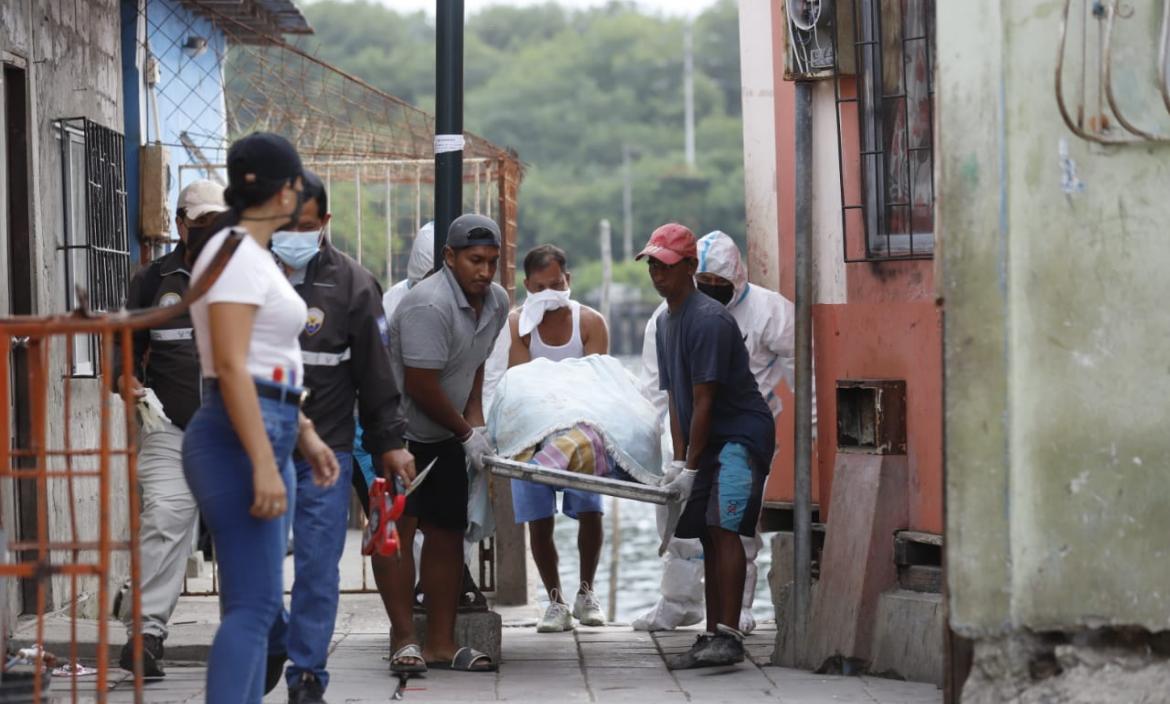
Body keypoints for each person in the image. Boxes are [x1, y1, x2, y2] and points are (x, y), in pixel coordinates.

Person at [181, 132, 339, 704]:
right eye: (297, 183)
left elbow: (268, 358)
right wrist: (263, 464)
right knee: (252, 610)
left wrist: (303, 432)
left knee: (260, 605)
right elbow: (229, 365)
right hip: (238, 433)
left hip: (269, 424)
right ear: (286, 190)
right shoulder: (237, 255)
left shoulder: (249, 254)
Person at [267, 171, 416, 703]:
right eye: (284, 226)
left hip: (323, 455)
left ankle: (307, 674)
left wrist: (390, 443)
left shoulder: (353, 285)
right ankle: (274, 637)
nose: (294, 236)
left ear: (325, 223)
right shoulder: (250, 277)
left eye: (305, 226)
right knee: (257, 571)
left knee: (317, 565)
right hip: (258, 451)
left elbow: (377, 375)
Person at [634, 230, 808, 634]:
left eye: (668, 268)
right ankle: (700, 618)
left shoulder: (720, 319)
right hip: (699, 434)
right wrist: (677, 460)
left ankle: (731, 624)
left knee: (730, 527)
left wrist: (692, 466)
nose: (658, 277)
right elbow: (671, 394)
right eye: (653, 267)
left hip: (738, 435)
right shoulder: (664, 321)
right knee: (699, 528)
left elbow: (706, 398)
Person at [113, 180, 228, 677]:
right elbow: (122, 349)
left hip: (233, 432)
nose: (207, 232)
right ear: (180, 223)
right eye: (199, 223)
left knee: (243, 529)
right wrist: (125, 381)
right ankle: (145, 635)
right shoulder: (152, 280)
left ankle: (250, 633)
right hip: (171, 426)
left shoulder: (245, 275)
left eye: (216, 223)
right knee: (164, 516)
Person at [385, 213, 508, 674]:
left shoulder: (495, 301)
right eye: (475, 260)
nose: (485, 271)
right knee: (400, 533)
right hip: (402, 432)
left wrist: (474, 423)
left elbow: (474, 364)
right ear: (449, 257)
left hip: (448, 429)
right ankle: (404, 641)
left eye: (492, 262)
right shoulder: (427, 305)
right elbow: (420, 384)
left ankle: (440, 643)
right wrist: (464, 432)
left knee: (447, 534)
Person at [504, 244, 610, 632]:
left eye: (557, 283)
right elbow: (519, 382)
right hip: (533, 427)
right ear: (527, 286)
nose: (551, 292)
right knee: (538, 518)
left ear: (569, 280)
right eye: (541, 286)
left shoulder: (590, 322)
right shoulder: (518, 324)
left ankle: (587, 592)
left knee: (590, 510)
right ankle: (554, 600)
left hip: (581, 424)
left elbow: (598, 383)